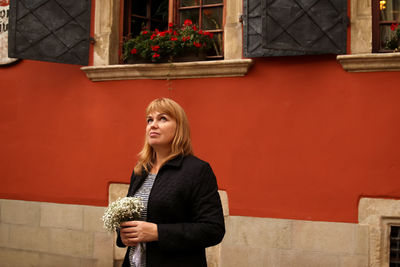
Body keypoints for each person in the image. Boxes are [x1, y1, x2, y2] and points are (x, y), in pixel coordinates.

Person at [117, 98, 225, 267]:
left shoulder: (197, 170)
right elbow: (134, 218)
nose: (153, 125)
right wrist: (123, 234)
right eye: (149, 120)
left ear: (179, 127)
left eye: (163, 119)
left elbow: (213, 229)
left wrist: (157, 232)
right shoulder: (141, 170)